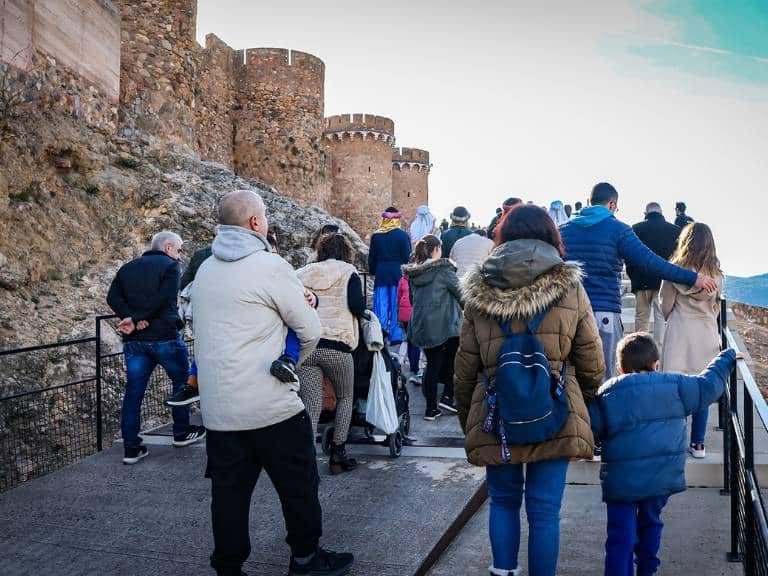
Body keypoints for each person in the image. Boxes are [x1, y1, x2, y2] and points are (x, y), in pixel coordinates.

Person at [192, 190, 353, 576]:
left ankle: (228, 567)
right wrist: (289, 362)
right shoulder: (269, 266)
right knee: (298, 486)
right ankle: (305, 559)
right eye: (263, 216)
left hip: (220, 411)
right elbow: (309, 328)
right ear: (254, 223)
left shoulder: (204, 271)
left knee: (228, 496)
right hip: (271, 405)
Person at [454, 205, 605, 576]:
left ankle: (503, 571)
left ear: (501, 236)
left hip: (496, 410)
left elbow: (465, 364)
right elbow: (591, 356)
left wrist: (467, 416)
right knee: (544, 510)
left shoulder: (477, 287)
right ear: (551, 236)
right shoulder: (569, 284)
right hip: (555, 409)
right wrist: (583, 404)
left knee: (503, 502)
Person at [589, 333, 738, 576]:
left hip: (622, 482)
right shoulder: (676, 385)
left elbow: (590, 430)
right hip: (660, 478)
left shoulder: (607, 393)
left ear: (619, 367)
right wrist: (727, 356)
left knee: (620, 535)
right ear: (656, 364)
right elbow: (708, 385)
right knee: (651, 523)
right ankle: (647, 569)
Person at [559, 182, 717, 382]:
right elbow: (651, 263)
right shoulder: (617, 229)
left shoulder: (562, 230)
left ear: (589, 202)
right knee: (605, 379)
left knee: (572, 377)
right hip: (604, 313)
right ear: (612, 205)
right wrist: (694, 278)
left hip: (570, 312)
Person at [107, 231, 206, 464]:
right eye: (179, 250)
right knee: (182, 385)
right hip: (165, 338)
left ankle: (131, 448)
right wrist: (137, 317)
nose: (180, 257)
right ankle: (181, 433)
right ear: (168, 247)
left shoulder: (128, 267)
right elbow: (166, 297)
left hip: (135, 342)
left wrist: (130, 317)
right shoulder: (170, 266)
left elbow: (112, 297)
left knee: (133, 394)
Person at [296, 232, 365, 475]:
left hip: (309, 345)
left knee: (311, 404)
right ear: (346, 251)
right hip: (338, 344)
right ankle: (338, 454)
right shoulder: (349, 272)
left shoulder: (303, 273)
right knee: (345, 398)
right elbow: (357, 306)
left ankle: (306, 462)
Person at [660, 223, 724, 459]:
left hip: (679, 330)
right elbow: (716, 307)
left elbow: (664, 304)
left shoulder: (674, 270)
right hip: (706, 333)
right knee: (702, 390)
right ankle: (698, 444)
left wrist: (672, 316)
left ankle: (675, 442)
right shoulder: (717, 275)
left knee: (676, 390)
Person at [404, 235, 463, 420]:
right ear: (437, 248)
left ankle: (431, 409)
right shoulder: (444, 270)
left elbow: (414, 300)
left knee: (432, 365)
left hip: (422, 325)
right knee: (454, 362)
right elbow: (463, 295)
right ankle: (447, 396)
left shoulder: (415, 273)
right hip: (446, 325)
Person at [626, 203, 681, 345]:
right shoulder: (674, 230)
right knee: (661, 318)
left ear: (646, 213)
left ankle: (640, 350)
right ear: (661, 212)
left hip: (641, 280)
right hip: (665, 281)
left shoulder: (636, 229)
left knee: (641, 317)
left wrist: (633, 276)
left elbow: (629, 257)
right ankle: (659, 353)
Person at [368, 207, 411, 343]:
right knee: (395, 304)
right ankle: (395, 335)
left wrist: (373, 270)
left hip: (381, 272)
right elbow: (407, 257)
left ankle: (380, 333)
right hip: (397, 273)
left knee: (381, 304)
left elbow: (372, 257)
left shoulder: (376, 236)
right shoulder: (403, 236)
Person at [396, 258, 420, 378]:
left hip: (404, 315)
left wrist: (398, 313)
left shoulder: (402, 280)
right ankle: (415, 368)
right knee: (415, 342)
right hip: (414, 313)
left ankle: (412, 365)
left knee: (410, 340)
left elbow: (398, 297)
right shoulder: (418, 279)